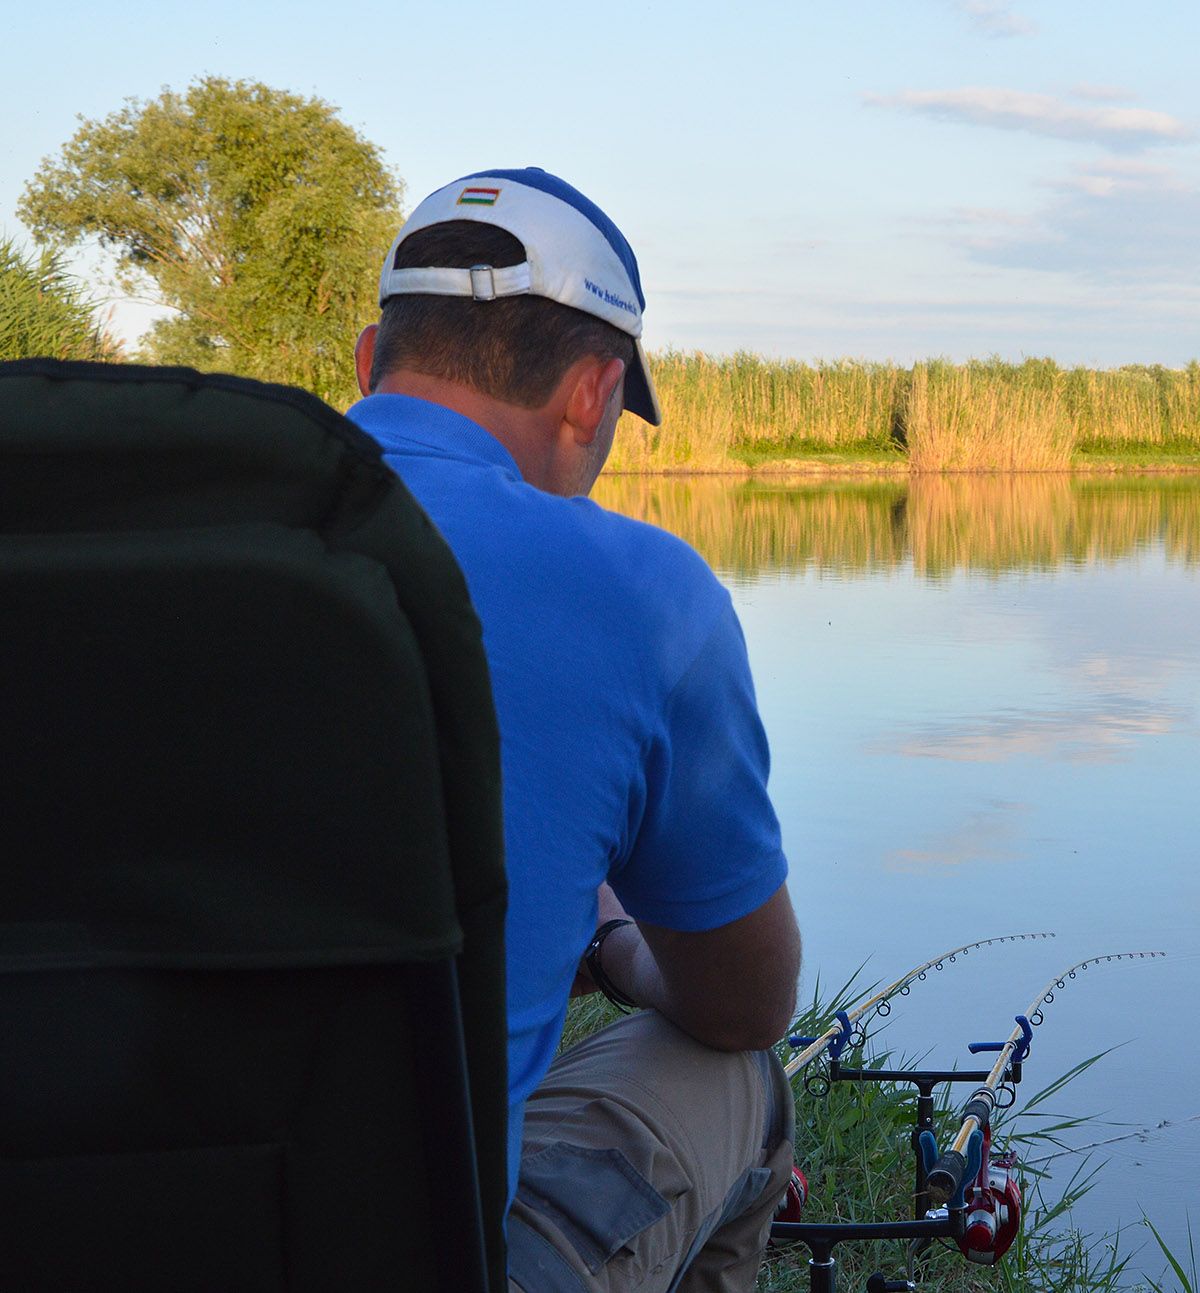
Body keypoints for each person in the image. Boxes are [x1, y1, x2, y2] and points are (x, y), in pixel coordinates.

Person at [346, 168, 803, 1293]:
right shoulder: (643, 592)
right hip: (420, 1256)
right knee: (742, 1073)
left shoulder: (161, 534)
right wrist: (611, 944)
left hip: (78, 1219)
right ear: (594, 395)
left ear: (366, 360)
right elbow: (747, 1001)